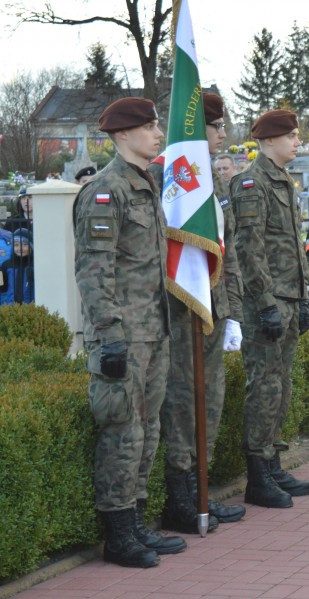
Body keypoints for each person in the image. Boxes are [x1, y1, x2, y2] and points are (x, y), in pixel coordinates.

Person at [74, 97, 185, 567]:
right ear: (122, 136)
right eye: (148, 127)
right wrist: (110, 334)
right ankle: (118, 534)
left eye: (158, 125)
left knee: (148, 430)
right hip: (123, 335)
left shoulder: (148, 186)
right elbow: (94, 271)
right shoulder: (105, 191)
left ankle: (137, 521)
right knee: (122, 432)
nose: (158, 134)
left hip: (154, 330)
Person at [151, 92, 246, 535]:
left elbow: (228, 250)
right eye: (214, 125)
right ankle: (182, 499)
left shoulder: (214, 178)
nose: (222, 132)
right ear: (192, 131)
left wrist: (233, 311)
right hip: (181, 306)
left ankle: (202, 492)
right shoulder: (170, 177)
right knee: (185, 403)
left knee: (211, 399)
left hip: (213, 304)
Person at [231, 109, 309, 508]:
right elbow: (249, 248)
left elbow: (291, 246)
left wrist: (301, 299)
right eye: (291, 135)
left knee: (281, 385)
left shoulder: (283, 179)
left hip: (287, 297)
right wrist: (264, 303)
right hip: (264, 301)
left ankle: (274, 461)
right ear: (268, 141)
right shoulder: (251, 182)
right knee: (264, 386)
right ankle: (258, 475)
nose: (297, 141)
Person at [0, 228, 34, 304]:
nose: (20, 248)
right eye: (16, 245)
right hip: (11, 309)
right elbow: (3, 288)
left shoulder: (34, 265)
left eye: (25, 244)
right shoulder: (6, 265)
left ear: (31, 246)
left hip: (32, 309)